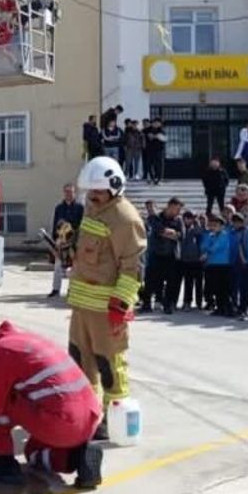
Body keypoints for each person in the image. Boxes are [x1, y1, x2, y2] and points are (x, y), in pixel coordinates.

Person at [0, 316, 104, 489]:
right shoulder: (18, 340)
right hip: (90, 416)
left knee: (1, 406)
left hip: (64, 422)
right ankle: (81, 454)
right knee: (32, 449)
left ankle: (3, 465)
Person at [67, 155, 146, 440]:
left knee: (110, 365)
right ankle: (86, 414)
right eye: (90, 191)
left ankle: (114, 420)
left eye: (98, 191)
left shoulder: (125, 219)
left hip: (106, 310)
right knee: (79, 362)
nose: (92, 196)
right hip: (81, 305)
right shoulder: (92, 209)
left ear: (114, 186)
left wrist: (120, 306)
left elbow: (133, 267)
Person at [146, 198, 183, 314]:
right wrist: (171, 233)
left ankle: (168, 305)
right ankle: (147, 304)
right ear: (170, 206)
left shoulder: (178, 220)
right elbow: (158, 230)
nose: (178, 212)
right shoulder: (157, 217)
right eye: (177, 209)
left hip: (170, 255)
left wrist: (167, 233)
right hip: (156, 253)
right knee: (152, 280)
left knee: (171, 281)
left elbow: (181, 235)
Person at [49, 184, 84, 298]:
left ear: (75, 193)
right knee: (57, 266)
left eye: (71, 192)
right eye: (66, 192)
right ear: (63, 193)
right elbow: (55, 225)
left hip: (74, 242)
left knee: (74, 267)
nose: (68, 194)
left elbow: (82, 225)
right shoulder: (59, 208)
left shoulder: (80, 208)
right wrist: (55, 242)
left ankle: (71, 290)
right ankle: (56, 289)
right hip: (61, 242)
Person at [201, 214, 233, 316]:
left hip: (222, 264)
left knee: (224, 288)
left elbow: (216, 247)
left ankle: (228, 308)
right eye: (212, 225)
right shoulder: (210, 235)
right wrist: (207, 249)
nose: (214, 227)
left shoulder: (224, 235)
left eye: (217, 225)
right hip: (212, 264)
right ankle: (220, 308)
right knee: (216, 288)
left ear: (222, 226)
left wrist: (207, 252)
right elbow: (203, 246)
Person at [178, 211, 205, 311]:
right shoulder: (182, 228)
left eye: (190, 218)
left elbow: (200, 233)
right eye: (186, 218)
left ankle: (199, 302)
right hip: (186, 260)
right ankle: (187, 302)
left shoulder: (196, 229)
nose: (188, 220)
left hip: (197, 260)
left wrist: (196, 222)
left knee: (199, 283)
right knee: (188, 283)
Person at [143, 118, 167, 185]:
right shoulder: (148, 130)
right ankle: (152, 178)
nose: (156, 124)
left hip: (159, 150)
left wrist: (157, 136)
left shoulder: (162, 131)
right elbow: (149, 136)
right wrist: (157, 136)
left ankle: (159, 179)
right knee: (149, 164)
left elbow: (164, 139)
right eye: (155, 123)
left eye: (158, 123)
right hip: (150, 150)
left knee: (159, 165)